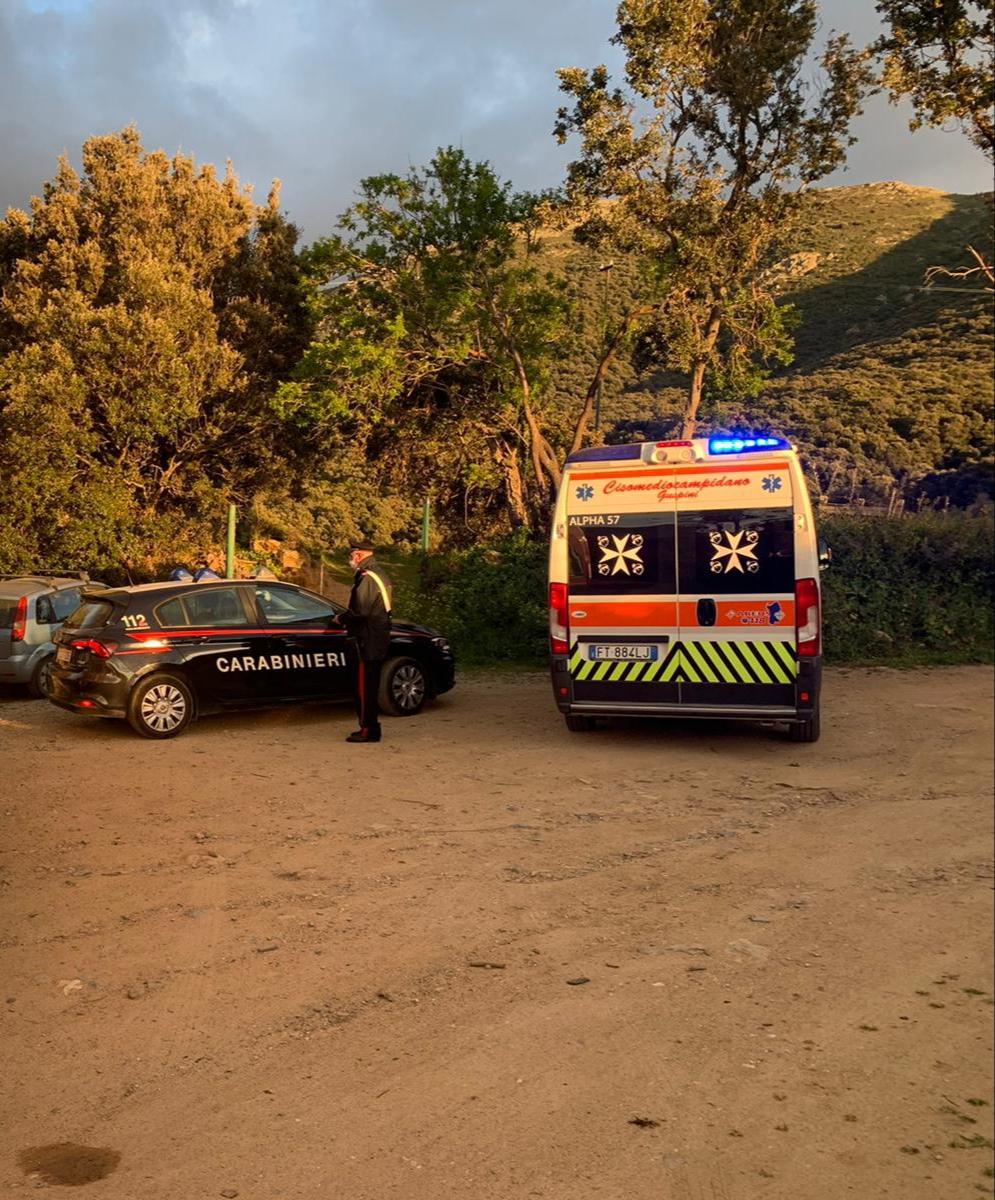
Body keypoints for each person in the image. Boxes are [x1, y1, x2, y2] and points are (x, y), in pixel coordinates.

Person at [339, 540, 392, 743]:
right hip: (376, 636)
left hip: (367, 639)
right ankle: (370, 727)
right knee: (369, 685)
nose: (350, 559)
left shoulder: (367, 577)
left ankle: (368, 730)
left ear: (359, 555)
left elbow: (360, 611)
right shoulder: (378, 573)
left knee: (364, 687)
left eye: (352, 555)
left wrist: (340, 619)